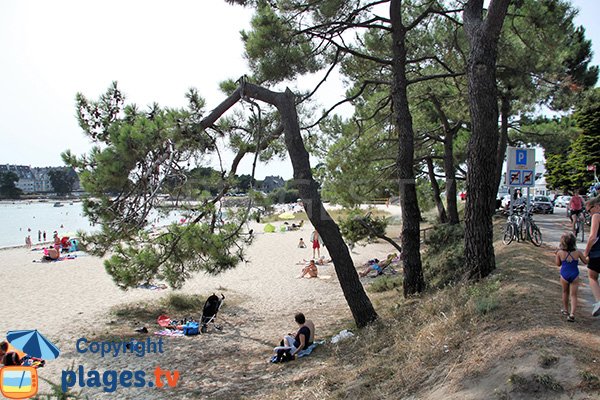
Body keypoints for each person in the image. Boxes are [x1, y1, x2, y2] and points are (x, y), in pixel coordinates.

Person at [555, 232, 587, 322]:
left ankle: (565, 310)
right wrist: (589, 255)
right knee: (574, 295)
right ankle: (572, 313)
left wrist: (556, 255)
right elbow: (585, 261)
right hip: (575, 275)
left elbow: (558, 264)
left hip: (564, 275)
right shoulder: (578, 253)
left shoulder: (560, 253)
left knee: (565, 292)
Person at [584, 196, 600, 317]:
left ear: (596, 206)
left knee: (592, 276)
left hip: (597, 252)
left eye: (589, 210)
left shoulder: (597, 216)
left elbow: (592, 237)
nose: (589, 213)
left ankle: (599, 301)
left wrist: (586, 251)